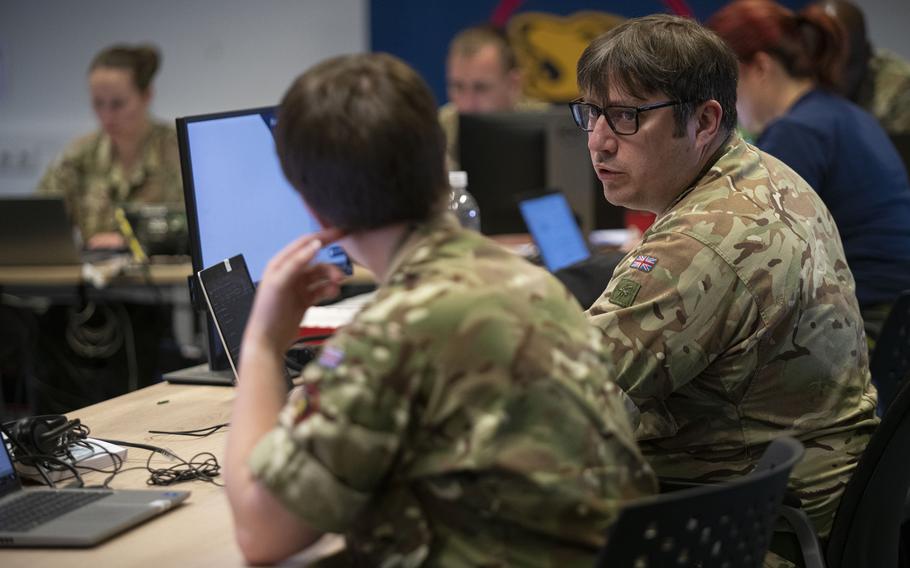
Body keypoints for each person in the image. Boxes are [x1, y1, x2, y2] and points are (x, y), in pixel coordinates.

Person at [224, 53, 656, 566]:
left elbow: (260, 533)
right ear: (439, 166)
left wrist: (263, 344)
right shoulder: (530, 284)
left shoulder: (391, 334)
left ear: (315, 211)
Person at [572, 13, 878, 558]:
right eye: (592, 113)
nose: (598, 141)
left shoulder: (701, 244)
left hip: (741, 529)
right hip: (801, 505)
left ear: (705, 120)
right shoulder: (765, 175)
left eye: (625, 116)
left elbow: (558, 403)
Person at [708, 0, 910, 342]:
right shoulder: (841, 113)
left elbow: (753, 254)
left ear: (760, 66)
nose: (729, 104)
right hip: (892, 321)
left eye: (727, 84)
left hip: (866, 326)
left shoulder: (797, 131)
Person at [37, 43, 184, 250]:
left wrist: (132, 242)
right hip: (94, 279)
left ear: (146, 96)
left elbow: (205, 227)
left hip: (168, 279)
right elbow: (38, 223)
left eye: (118, 104)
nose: (106, 116)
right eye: (98, 103)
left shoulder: (181, 152)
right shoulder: (78, 157)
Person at [439, 24, 548, 168]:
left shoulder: (548, 131)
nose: (467, 106)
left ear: (513, 84)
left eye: (481, 88)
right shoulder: (436, 131)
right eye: (458, 87)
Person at [817, 0, 910, 135]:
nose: (835, 76)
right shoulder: (789, 74)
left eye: (847, 64)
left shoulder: (901, 89)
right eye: (825, 63)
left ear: (867, 54)